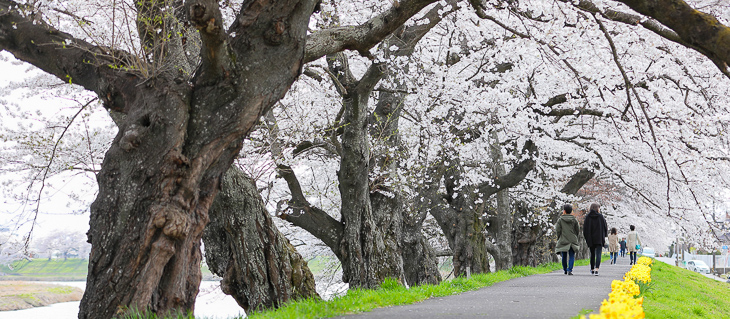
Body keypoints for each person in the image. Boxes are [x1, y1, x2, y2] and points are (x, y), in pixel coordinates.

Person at [583, 203, 608, 276]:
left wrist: (587, 237)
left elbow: (585, 229)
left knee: (592, 254)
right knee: (598, 253)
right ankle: (597, 269)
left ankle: (592, 269)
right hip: (599, 238)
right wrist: (604, 236)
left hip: (591, 238)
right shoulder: (600, 217)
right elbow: (605, 227)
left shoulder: (587, 217)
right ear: (597, 208)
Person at [555, 204, 580, 275]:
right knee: (572, 255)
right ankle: (570, 269)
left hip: (563, 239)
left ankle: (565, 269)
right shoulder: (574, 220)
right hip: (572, 239)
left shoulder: (560, 220)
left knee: (564, 255)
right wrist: (575, 236)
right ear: (571, 211)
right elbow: (577, 229)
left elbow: (558, 230)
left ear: (564, 211)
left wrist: (559, 237)